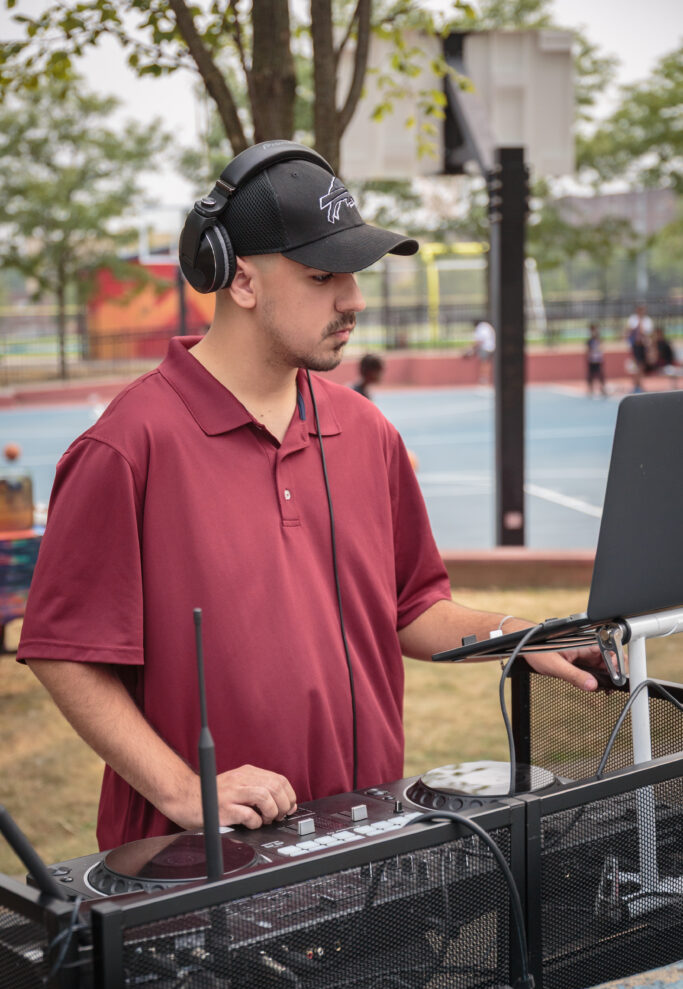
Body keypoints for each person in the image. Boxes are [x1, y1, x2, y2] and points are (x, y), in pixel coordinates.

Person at [17, 142, 605, 852]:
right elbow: (64, 650)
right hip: (199, 874)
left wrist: (523, 634)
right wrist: (182, 789)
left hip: (367, 846)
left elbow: (410, 607)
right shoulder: (127, 446)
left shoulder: (365, 429)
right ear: (239, 281)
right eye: (323, 275)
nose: (353, 299)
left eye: (353, 275)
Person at [625, 304, 653, 393]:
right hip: (635, 346)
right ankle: (636, 385)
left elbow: (646, 333)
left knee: (641, 366)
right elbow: (629, 332)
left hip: (643, 346)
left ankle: (639, 385)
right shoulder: (633, 319)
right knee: (635, 366)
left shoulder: (647, 320)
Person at [464, 320, 496, 384]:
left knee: (484, 363)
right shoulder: (486, 326)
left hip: (487, 348)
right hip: (491, 347)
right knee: (487, 363)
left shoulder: (481, 328)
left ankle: (484, 378)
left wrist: (470, 349)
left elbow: (480, 341)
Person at [586, 322, 607, 397]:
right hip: (591, 360)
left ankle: (603, 389)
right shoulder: (589, 341)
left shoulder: (599, 340)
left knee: (601, 375)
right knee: (590, 375)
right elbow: (588, 350)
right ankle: (590, 389)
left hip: (598, 360)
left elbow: (601, 348)